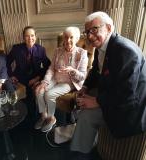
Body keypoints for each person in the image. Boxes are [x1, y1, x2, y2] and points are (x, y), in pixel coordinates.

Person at [69, 11, 146, 160]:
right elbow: (97, 72)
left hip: (130, 109)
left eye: (94, 30)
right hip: (115, 94)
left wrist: (96, 101)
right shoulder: (104, 46)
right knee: (84, 109)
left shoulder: (126, 51)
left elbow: (127, 94)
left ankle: (80, 155)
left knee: (86, 115)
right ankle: (83, 149)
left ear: (109, 28)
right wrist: (85, 87)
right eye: (87, 32)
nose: (90, 36)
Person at [35, 26, 88, 132]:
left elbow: (82, 76)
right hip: (55, 78)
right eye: (66, 37)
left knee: (49, 94)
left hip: (69, 82)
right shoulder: (58, 51)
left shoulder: (82, 53)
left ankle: (51, 118)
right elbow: (51, 68)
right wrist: (45, 82)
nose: (68, 40)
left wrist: (72, 70)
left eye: (71, 37)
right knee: (39, 91)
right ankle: (44, 116)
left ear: (77, 38)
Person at [7, 26, 51, 126]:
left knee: (35, 92)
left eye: (32, 35)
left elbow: (48, 65)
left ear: (35, 36)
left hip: (35, 77)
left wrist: (38, 78)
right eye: (27, 36)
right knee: (24, 96)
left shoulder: (41, 49)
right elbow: (6, 62)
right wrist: (11, 75)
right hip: (20, 77)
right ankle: (24, 118)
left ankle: (37, 117)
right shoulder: (16, 49)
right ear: (23, 38)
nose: (30, 38)